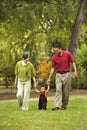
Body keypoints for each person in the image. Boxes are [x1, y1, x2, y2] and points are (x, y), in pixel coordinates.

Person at [47, 41, 78, 110]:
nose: (55, 52)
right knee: (58, 90)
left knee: (66, 92)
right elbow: (52, 68)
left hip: (67, 74)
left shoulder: (67, 54)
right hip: (58, 75)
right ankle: (56, 106)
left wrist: (75, 71)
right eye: (54, 51)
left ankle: (64, 106)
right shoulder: (54, 57)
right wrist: (49, 78)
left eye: (56, 50)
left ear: (59, 48)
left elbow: (73, 62)